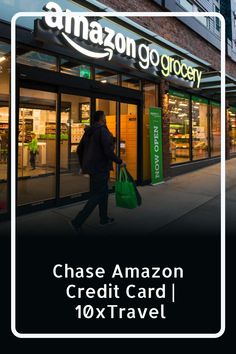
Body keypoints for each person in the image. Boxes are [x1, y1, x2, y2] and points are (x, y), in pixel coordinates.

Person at [70, 110, 125, 233]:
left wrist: (84, 164)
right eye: (105, 116)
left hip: (93, 168)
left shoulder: (89, 132)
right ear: (101, 118)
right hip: (101, 168)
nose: (105, 118)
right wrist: (119, 161)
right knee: (97, 195)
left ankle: (103, 219)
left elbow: (79, 149)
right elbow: (108, 151)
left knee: (103, 193)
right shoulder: (102, 131)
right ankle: (77, 221)